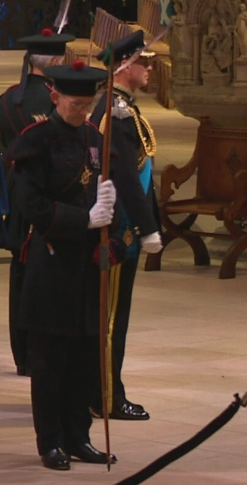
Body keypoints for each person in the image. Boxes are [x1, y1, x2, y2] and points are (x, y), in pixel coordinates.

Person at [7, 60, 126, 470]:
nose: (84, 112)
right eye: (76, 104)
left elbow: (108, 191)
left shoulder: (96, 138)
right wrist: (83, 219)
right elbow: (33, 206)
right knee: (50, 359)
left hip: (88, 265)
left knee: (85, 356)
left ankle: (80, 437)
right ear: (55, 97)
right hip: (52, 260)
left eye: (89, 103)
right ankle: (51, 441)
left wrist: (111, 213)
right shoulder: (35, 142)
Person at [89, 31, 163, 422]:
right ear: (125, 67)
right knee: (111, 320)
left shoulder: (121, 106)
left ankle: (104, 390)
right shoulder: (113, 111)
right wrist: (149, 227)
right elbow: (125, 178)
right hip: (121, 231)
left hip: (128, 227)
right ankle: (107, 396)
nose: (149, 68)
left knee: (113, 317)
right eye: (144, 61)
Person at [0, 29, 70, 377]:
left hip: (16, 193)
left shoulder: (10, 100)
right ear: (55, 62)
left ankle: (21, 354)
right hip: (54, 194)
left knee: (20, 271)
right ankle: (46, 350)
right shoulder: (61, 101)